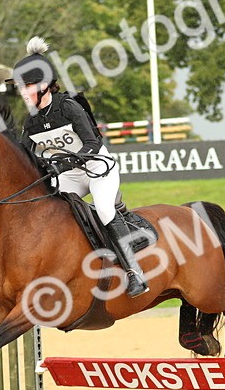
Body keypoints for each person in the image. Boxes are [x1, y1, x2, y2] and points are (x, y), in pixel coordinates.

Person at [12, 37, 148, 297]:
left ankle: (135, 272)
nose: (22, 92)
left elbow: (93, 144)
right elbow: (24, 158)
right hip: (70, 175)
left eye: (26, 86)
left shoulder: (69, 107)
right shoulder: (31, 123)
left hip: (98, 169)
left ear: (44, 86)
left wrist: (61, 163)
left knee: (105, 210)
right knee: (47, 207)